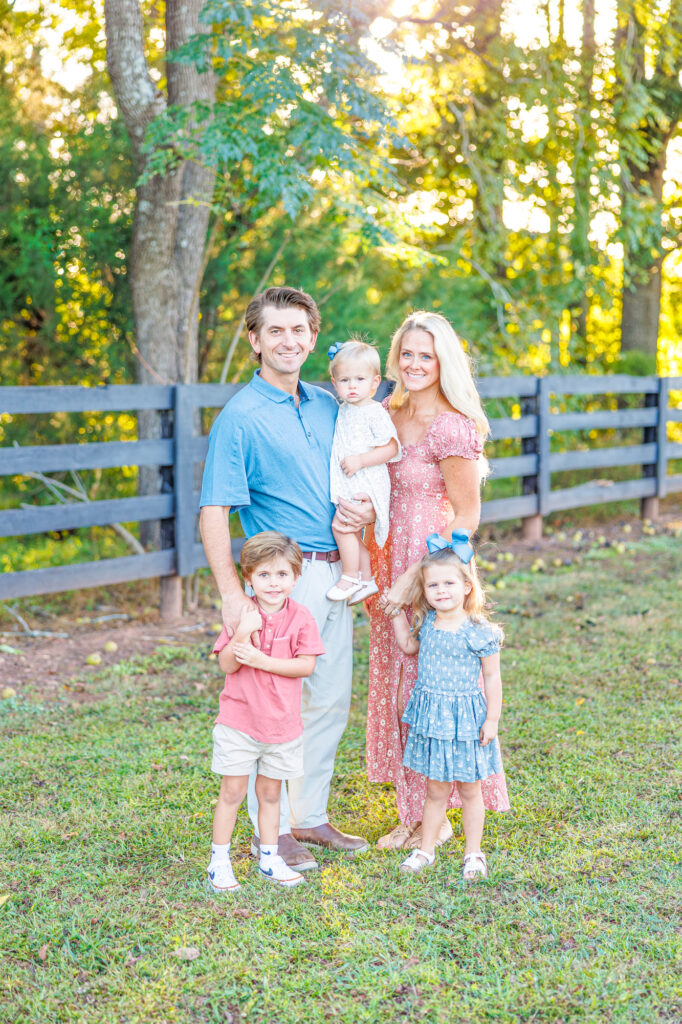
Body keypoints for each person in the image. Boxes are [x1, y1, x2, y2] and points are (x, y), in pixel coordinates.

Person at [200, 286, 373, 873]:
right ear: (254, 339)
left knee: (327, 702)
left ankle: (309, 815)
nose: (288, 341)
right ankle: (267, 833)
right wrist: (232, 597)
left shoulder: (330, 405)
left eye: (299, 331)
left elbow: (360, 476)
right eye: (275, 330)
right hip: (282, 580)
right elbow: (213, 511)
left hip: (337, 576)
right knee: (272, 707)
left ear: (314, 338)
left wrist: (366, 512)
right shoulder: (239, 418)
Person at [365, 310, 509, 850]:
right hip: (383, 557)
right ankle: (416, 807)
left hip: (432, 568)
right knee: (395, 682)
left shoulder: (453, 425)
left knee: (425, 683)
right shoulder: (385, 412)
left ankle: (429, 817)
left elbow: (466, 517)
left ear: (444, 361)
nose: (416, 363)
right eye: (407, 353)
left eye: (427, 355)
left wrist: (417, 578)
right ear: (395, 359)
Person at [208, 532, 325, 891]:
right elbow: (227, 666)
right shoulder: (242, 614)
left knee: (272, 794)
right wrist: (243, 633)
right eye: (263, 575)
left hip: (282, 726)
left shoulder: (301, 618)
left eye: (281, 575)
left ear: (295, 576)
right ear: (248, 577)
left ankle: (269, 857)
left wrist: (263, 660)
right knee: (232, 791)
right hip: (239, 722)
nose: (273, 583)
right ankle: (220, 860)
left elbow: (305, 666)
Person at [388, 535, 507, 879]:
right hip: (434, 718)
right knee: (435, 788)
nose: (441, 591)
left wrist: (492, 720)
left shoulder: (479, 631)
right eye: (433, 585)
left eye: (449, 583)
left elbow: (493, 678)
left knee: (470, 789)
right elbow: (409, 647)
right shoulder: (427, 623)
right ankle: (426, 850)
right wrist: (396, 613)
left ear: (467, 586)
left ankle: (474, 853)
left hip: (466, 720)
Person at [325, 340, 400, 604]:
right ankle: (367, 579)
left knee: (341, 526)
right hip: (351, 479)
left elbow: (391, 447)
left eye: (359, 379)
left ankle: (349, 576)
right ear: (334, 383)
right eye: (345, 380)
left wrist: (360, 460)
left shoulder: (373, 412)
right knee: (349, 530)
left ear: (375, 382)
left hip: (366, 478)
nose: (352, 386)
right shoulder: (344, 409)